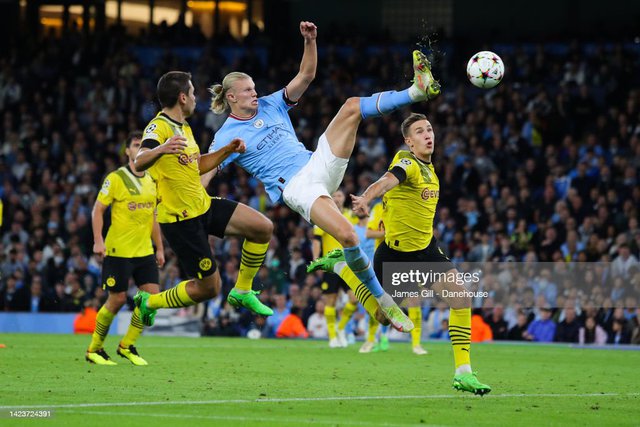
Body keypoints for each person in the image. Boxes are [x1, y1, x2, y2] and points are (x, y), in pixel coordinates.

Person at [209, 21, 440, 332]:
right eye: (248, 90)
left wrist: (310, 41)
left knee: (351, 107)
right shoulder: (226, 135)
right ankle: (382, 299)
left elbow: (306, 75)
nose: (255, 92)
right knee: (348, 236)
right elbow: (207, 169)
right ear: (232, 97)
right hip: (297, 187)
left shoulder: (271, 104)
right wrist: (197, 201)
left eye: (254, 87)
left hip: (317, 163)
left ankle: (416, 90)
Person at [311, 113, 491, 394]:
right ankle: (341, 267)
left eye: (429, 129)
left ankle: (463, 372)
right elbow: (387, 180)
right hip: (395, 256)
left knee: (461, 298)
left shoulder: (431, 172)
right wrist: (366, 198)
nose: (427, 135)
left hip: (427, 252)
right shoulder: (407, 162)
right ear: (409, 141)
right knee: (384, 319)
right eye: (419, 131)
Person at [132, 71, 274, 326]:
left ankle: (242, 291)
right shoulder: (159, 126)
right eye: (194, 93)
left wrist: (227, 150)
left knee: (262, 227)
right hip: (180, 220)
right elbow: (139, 160)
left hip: (202, 205)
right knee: (209, 288)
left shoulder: (184, 128)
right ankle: (149, 302)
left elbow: (198, 166)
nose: (197, 98)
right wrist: (162, 148)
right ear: (182, 97)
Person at [85, 131, 165, 366]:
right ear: (128, 151)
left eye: (143, 145)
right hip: (118, 251)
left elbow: (153, 217)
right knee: (117, 299)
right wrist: (98, 240)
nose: (139, 147)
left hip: (144, 251)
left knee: (151, 299)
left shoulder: (152, 180)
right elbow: (98, 210)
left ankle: (127, 345)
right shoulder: (116, 178)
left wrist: (159, 248)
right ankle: (94, 349)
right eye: (135, 144)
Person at [312, 190, 360, 348]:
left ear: (344, 197)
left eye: (340, 195)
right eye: (335, 196)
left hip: (349, 265)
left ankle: (340, 329)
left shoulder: (351, 216)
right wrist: (317, 260)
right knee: (330, 301)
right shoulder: (323, 216)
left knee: (354, 299)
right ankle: (332, 337)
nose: (338, 198)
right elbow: (317, 240)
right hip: (331, 265)